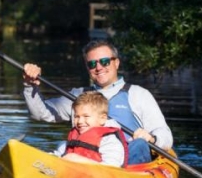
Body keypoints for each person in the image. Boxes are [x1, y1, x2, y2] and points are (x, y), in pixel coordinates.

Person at [23, 39, 173, 164]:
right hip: (87, 161)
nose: (99, 68)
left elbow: (165, 135)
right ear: (87, 68)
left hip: (125, 165)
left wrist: (152, 138)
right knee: (63, 146)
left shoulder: (138, 94)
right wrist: (30, 85)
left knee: (140, 145)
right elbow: (41, 113)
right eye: (92, 64)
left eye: (105, 61)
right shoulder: (78, 96)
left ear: (116, 63)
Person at [62, 91, 128, 167]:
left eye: (86, 116)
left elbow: (112, 167)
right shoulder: (76, 134)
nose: (80, 121)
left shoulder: (109, 140)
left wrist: (80, 160)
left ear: (102, 118)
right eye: (77, 116)